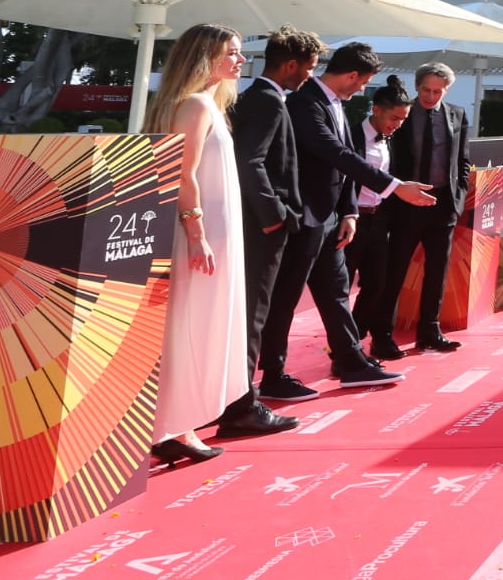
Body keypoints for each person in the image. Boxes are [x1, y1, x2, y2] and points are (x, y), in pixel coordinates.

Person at [271, 43, 431, 399]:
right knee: (286, 298)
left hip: (330, 219)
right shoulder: (304, 102)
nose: (362, 89)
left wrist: (348, 211)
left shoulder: (336, 104)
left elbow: (342, 166)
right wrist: (393, 186)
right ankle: (273, 374)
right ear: (352, 75)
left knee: (336, 293)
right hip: (303, 217)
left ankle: (351, 361)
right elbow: (334, 152)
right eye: (363, 82)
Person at [145, 23, 249, 466]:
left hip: (213, 234)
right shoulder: (194, 106)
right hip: (200, 237)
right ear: (205, 57)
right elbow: (182, 176)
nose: (240, 61)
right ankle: (173, 428)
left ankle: (178, 427)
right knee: (190, 327)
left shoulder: (206, 104)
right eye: (233, 52)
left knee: (199, 326)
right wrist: (197, 234)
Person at [218, 26, 325, 439]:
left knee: (251, 315)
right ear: (292, 64)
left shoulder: (261, 99)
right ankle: (241, 407)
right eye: (309, 68)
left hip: (258, 223)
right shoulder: (267, 102)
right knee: (252, 317)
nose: (310, 77)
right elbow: (252, 162)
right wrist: (274, 216)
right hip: (261, 228)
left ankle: (236, 400)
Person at [371, 62, 471, 358]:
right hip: (405, 205)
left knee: (438, 271)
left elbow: (462, 160)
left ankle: (430, 330)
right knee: (395, 271)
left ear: (447, 90)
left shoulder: (457, 114)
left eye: (437, 91)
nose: (430, 96)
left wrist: (458, 197)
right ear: (416, 87)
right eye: (426, 89)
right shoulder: (401, 113)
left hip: (443, 205)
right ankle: (382, 335)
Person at [346, 76, 413, 342]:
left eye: (403, 120)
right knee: (342, 286)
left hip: (378, 220)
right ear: (376, 109)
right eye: (394, 118)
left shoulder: (391, 139)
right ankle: (343, 345)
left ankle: (355, 335)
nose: (398, 125)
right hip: (351, 220)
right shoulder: (350, 135)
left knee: (376, 284)